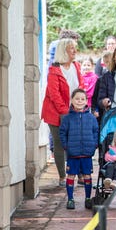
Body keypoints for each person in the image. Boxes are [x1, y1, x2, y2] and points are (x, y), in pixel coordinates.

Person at [41, 38, 84, 188]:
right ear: (63, 51)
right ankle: (62, 176)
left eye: (75, 48)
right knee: (59, 144)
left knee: (76, 143)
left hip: (73, 110)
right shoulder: (54, 70)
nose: (75, 50)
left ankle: (78, 174)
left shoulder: (76, 66)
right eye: (71, 48)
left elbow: (81, 86)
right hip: (55, 112)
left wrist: (79, 104)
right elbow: (54, 95)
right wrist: (65, 112)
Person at [59, 89, 99, 210]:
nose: (80, 101)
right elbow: (62, 133)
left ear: (87, 101)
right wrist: (66, 146)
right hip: (73, 154)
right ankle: (70, 199)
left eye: (82, 99)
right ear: (72, 100)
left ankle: (87, 198)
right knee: (71, 176)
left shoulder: (91, 118)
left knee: (87, 176)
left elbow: (95, 131)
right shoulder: (67, 118)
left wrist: (94, 145)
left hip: (87, 153)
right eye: (77, 99)